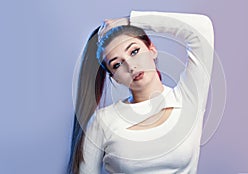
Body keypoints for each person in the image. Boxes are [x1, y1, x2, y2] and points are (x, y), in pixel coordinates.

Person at [67, 11, 214, 174]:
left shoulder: (188, 99)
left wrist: (129, 21)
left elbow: (201, 28)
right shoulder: (103, 122)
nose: (131, 66)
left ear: (152, 49)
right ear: (115, 78)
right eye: (117, 65)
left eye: (134, 51)